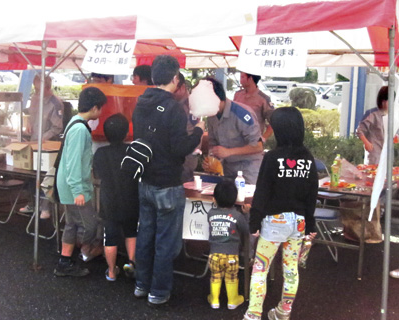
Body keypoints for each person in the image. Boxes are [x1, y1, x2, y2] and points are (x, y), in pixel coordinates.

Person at [132, 55, 205, 305]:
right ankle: (159, 292)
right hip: (167, 183)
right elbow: (178, 148)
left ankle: (142, 285)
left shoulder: (140, 103)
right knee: (165, 242)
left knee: (146, 236)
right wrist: (198, 131)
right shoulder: (173, 107)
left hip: (145, 180)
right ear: (175, 79)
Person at [242, 107, 318, 320]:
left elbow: (263, 191)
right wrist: (310, 225)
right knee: (291, 269)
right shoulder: (308, 158)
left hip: (275, 221)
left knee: (260, 269)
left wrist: (254, 222)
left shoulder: (273, 157)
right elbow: (312, 194)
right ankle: (284, 312)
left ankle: (253, 315)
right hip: (299, 222)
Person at [53, 87, 107, 277]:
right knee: (89, 225)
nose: (101, 113)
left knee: (72, 224)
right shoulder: (79, 129)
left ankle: (65, 261)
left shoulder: (75, 123)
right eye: (101, 108)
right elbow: (74, 162)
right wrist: (78, 191)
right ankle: (74, 256)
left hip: (69, 185)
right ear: (94, 108)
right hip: (73, 186)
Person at [93, 113, 139, 281]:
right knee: (131, 233)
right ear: (127, 132)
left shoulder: (100, 153)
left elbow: (97, 175)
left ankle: (112, 271)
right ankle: (131, 264)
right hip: (131, 199)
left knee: (110, 237)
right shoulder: (132, 151)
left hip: (109, 200)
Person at [19, 74, 64, 219]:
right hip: (34, 140)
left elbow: (57, 128)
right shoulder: (34, 99)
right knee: (31, 174)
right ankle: (32, 203)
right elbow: (31, 116)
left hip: (48, 143)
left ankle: (46, 207)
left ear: (47, 87)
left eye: (39, 90)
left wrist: (43, 138)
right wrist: (29, 124)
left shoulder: (56, 103)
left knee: (46, 176)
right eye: (35, 89)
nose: (37, 92)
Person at [203, 77, 263, 184]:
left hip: (248, 169)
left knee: (246, 200)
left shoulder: (242, 113)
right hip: (228, 168)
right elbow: (213, 143)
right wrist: (211, 160)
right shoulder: (211, 115)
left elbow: (258, 146)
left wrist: (229, 152)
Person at [207, 180, 249, 310]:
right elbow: (246, 230)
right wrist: (246, 214)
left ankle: (214, 300)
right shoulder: (237, 215)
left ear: (214, 199)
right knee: (232, 277)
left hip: (214, 254)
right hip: (232, 255)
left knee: (215, 276)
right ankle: (232, 300)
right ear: (235, 198)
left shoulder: (210, 214)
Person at [174, 72, 202, 182]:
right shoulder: (177, 105)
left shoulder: (190, 105)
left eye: (174, 90)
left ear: (182, 88)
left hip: (187, 158)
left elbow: (195, 132)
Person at [234, 72, 275, 145]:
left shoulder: (263, 99)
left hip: (253, 144)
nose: (240, 81)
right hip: (235, 142)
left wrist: (262, 139)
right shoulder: (237, 95)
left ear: (250, 79)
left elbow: (273, 123)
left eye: (242, 77)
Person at [356, 86, 389, 165]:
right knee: (372, 174)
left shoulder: (391, 116)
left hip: (386, 153)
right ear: (382, 101)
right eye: (388, 101)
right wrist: (366, 143)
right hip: (374, 153)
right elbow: (359, 131)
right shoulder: (372, 114)